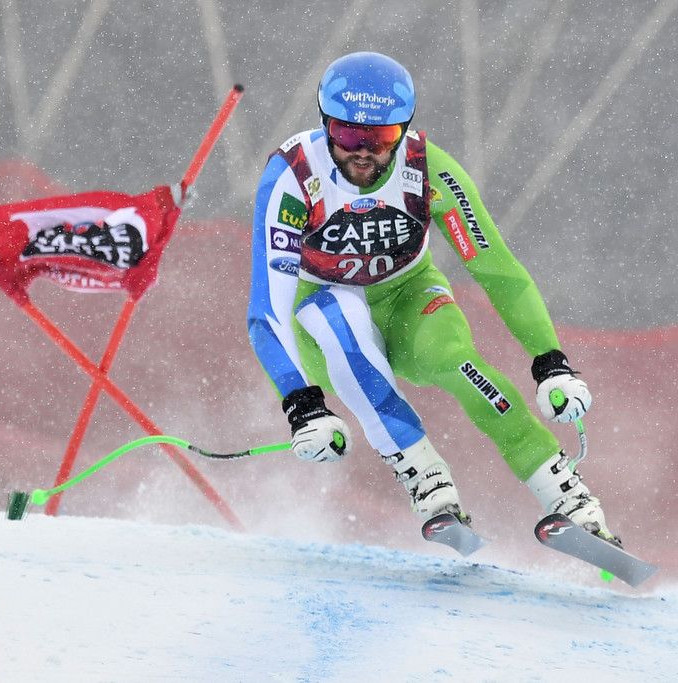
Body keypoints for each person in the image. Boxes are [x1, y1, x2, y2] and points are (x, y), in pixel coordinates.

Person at [247, 51, 618, 544]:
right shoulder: (294, 176)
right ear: (324, 123)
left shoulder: (427, 170)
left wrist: (551, 362)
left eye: (381, 138)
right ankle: (427, 477)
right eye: (348, 135)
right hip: (325, 316)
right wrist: (301, 403)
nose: (363, 153)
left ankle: (568, 496)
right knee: (335, 313)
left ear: (404, 131)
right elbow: (268, 309)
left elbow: (497, 270)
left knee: (461, 366)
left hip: (408, 298)